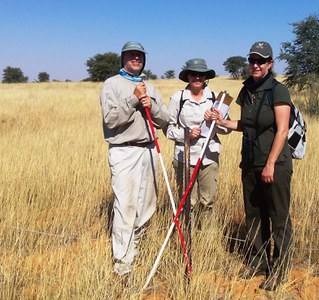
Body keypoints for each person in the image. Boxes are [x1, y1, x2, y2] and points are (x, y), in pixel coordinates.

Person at [207, 41, 293, 291]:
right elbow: (245, 125)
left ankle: (280, 269)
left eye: (261, 60)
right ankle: (257, 262)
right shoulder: (247, 91)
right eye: (252, 60)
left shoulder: (278, 91)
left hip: (274, 164)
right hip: (250, 163)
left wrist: (270, 164)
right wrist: (222, 121)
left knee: (278, 217)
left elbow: (283, 129)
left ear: (270, 64)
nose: (255, 64)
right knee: (254, 215)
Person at [100, 41, 169, 276]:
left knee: (147, 206)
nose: (136, 59)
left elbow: (165, 120)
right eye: (131, 55)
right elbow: (111, 120)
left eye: (139, 56)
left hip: (149, 149)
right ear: (123, 58)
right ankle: (123, 264)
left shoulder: (149, 86)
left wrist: (153, 106)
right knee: (125, 206)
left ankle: (135, 249)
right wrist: (133, 99)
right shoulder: (112, 84)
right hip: (124, 150)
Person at [166, 58, 230, 223]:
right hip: (184, 156)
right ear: (187, 76)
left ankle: (207, 238)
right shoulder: (178, 98)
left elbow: (227, 129)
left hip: (209, 157)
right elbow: (167, 129)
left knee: (207, 201)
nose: (197, 78)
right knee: (188, 201)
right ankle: (189, 236)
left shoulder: (216, 98)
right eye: (193, 74)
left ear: (205, 77)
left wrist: (217, 120)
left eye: (201, 75)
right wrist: (186, 135)